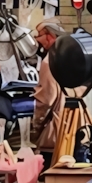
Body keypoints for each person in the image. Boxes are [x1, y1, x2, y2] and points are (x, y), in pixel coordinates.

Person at [30, 20, 66, 157]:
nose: (37, 40)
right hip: (77, 124)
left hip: (56, 129)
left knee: (50, 174)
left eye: (39, 35)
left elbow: (45, 100)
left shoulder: (49, 61)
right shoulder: (73, 56)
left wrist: (36, 126)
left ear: (50, 36)